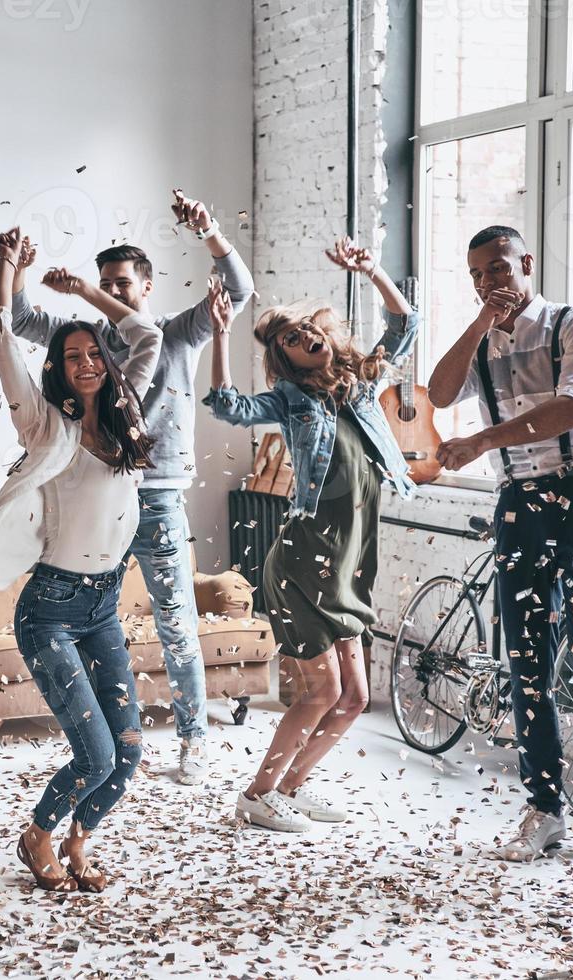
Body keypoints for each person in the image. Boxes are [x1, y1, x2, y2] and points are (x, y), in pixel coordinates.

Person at [7, 190, 255, 785]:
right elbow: (18, 319)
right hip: (96, 504)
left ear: (145, 286)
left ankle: (194, 739)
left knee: (176, 622)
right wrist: (14, 267)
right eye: (105, 283)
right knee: (96, 622)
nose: (114, 292)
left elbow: (239, 292)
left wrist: (211, 229)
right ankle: (107, 742)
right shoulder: (85, 342)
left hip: (158, 496)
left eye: (123, 284)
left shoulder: (175, 333)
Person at [0, 228, 163, 892]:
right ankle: (37, 834)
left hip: (103, 606)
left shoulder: (127, 413)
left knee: (125, 758)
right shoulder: (45, 425)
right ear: (58, 369)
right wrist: (7, 266)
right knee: (93, 754)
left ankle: (78, 841)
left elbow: (148, 338)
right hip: (51, 610)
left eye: (92, 352)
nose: (85, 364)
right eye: (70, 357)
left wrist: (83, 293)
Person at [204, 238, 418, 832]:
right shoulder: (290, 400)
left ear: (324, 333)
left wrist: (372, 270)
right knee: (322, 691)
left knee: (355, 697)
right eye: (291, 343)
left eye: (306, 331)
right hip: (306, 556)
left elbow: (405, 324)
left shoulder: (361, 384)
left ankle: (291, 791)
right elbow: (227, 405)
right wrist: (223, 334)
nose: (305, 342)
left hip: (350, 558)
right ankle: (257, 794)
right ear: (287, 362)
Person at [427, 224, 573, 861]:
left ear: (527, 263)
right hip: (521, 503)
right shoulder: (483, 338)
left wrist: (481, 441)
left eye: (501, 269)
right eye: (479, 274)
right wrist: (482, 317)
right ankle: (544, 806)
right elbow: (438, 392)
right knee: (526, 657)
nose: (492, 281)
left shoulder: (570, 324)